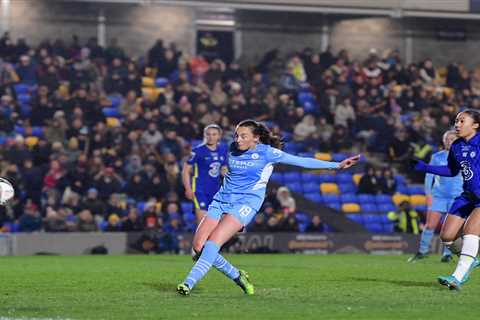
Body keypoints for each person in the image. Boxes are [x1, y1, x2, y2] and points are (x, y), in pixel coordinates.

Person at [176, 119, 360, 296]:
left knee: (213, 243)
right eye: (236, 136)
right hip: (221, 200)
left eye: (243, 136)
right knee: (199, 246)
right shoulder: (232, 149)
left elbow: (300, 161)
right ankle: (237, 275)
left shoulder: (268, 153)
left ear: (255, 138)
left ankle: (188, 283)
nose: (238, 140)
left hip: (246, 203)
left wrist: (336, 165)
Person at [413, 109, 480, 290]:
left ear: (475, 125)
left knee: (471, 231)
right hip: (467, 196)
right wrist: (425, 167)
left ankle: (456, 278)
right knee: (447, 236)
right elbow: (452, 170)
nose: (457, 124)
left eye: (462, 121)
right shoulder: (457, 146)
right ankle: (470, 260)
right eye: (456, 121)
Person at [409, 130, 463, 263]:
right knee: (430, 225)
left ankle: (447, 254)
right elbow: (429, 176)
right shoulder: (437, 156)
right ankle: (422, 252)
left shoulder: (463, 156)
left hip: (457, 196)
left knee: (451, 228)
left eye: (452, 139)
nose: (449, 141)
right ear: (444, 141)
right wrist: (428, 194)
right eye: (447, 139)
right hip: (438, 196)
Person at [181, 124, 228, 223]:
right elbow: (185, 170)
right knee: (202, 223)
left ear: (219, 136)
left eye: (214, 134)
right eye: (208, 134)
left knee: (218, 222)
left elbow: (223, 168)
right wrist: (188, 189)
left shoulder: (223, 149)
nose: (211, 137)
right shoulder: (197, 151)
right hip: (200, 189)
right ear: (204, 135)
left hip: (215, 189)